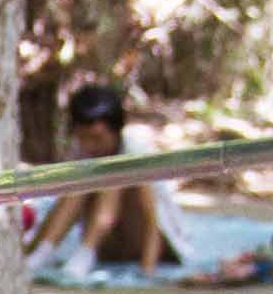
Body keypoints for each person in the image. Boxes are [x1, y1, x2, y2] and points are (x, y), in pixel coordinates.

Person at [28, 76, 197, 278]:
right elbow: (62, 206)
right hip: (112, 245)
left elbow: (152, 220)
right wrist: (32, 248)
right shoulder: (81, 152)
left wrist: (147, 271)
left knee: (115, 174)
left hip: (155, 247)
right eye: (83, 137)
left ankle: (85, 254)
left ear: (116, 132)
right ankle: (43, 254)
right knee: (83, 178)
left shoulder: (135, 150)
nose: (90, 145)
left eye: (97, 138)